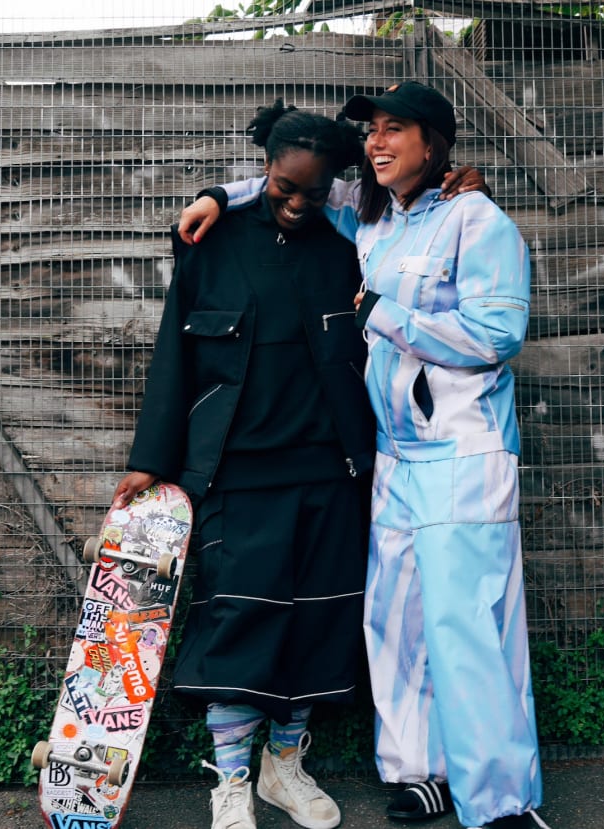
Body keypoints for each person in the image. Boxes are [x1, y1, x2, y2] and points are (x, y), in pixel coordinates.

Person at [179, 81, 548, 829]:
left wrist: (390, 314)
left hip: (463, 454)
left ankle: (503, 802)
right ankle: (421, 773)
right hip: (394, 460)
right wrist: (221, 193)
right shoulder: (373, 218)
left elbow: (498, 335)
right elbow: (294, 183)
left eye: (395, 130)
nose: (377, 143)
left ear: (434, 144)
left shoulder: (478, 221)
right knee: (397, 625)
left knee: (469, 626)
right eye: (372, 131)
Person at [111, 100, 375, 829]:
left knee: (318, 627)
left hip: (331, 471)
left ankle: (284, 767)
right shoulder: (211, 238)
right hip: (235, 474)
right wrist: (150, 461)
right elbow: (176, 354)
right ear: (264, 170)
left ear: (333, 188)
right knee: (239, 627)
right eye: (284, 187)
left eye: (312, 192)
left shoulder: (351, 238)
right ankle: (229, 781)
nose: (295, 203)